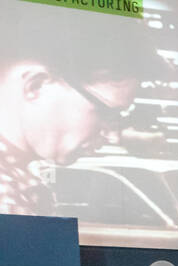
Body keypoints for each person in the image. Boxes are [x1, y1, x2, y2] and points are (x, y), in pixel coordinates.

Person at [0, 24, 149, 214]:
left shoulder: (20, 184)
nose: (112, 136)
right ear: (36, 86)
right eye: (105, 113)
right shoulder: (6, 196)